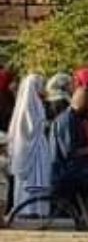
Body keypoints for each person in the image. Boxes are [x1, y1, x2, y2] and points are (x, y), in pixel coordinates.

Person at [51, 85, 88, 216]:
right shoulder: (68, 120)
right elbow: (70, 151)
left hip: (74, 169)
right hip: (67, 172)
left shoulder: (76, 118)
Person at [7, 75, 52, 216]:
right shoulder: (28, 105)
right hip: (32, 149)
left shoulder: (34, 103)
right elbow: (29, 128)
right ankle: (27, 209)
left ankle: (37, 209)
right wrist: (43, 125)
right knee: (31, 179)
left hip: (37, 148)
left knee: (38, 178)